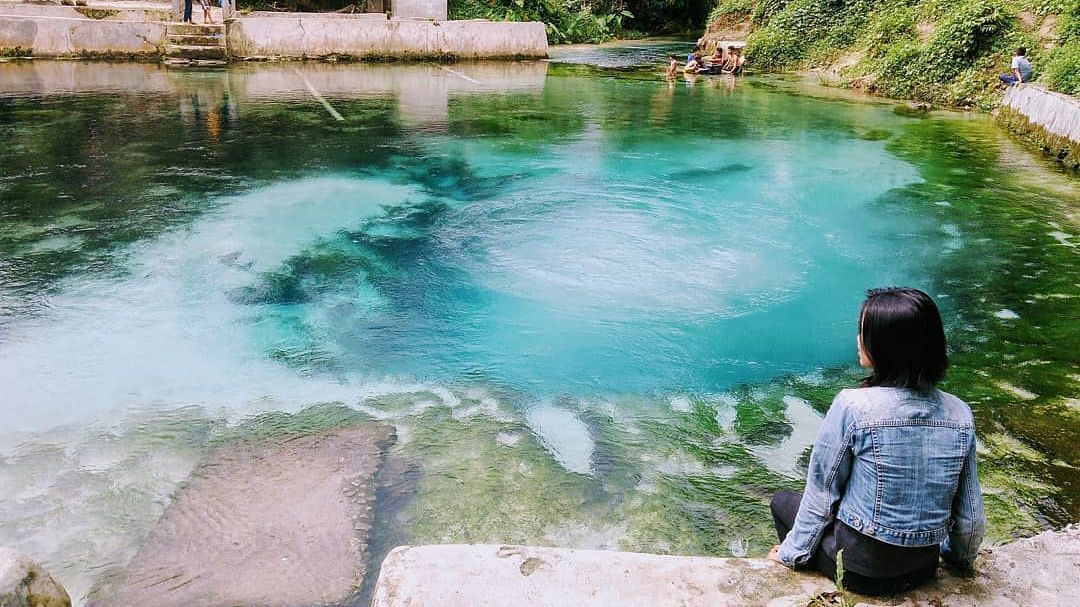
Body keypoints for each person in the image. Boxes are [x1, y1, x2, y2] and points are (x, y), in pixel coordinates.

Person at [768, 287, 985, 596]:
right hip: (923, 567)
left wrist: (789, 555)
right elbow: (971, 514)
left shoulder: (853, 406)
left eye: (864, 332)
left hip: (861, 572)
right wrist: (958, 560)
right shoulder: (959, 412)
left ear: (886, 346)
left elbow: (821, 494)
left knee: (782, 501)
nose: (858, 340)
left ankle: (803, 577)